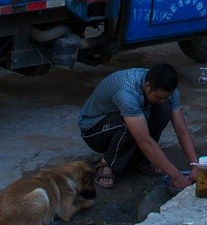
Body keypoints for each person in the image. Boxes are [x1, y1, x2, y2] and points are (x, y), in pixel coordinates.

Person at [78, 62, 199, 192]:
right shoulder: (127, 93)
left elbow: (181, 130)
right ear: (147, 86)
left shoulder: (168, 90)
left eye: (166, 97)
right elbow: (145, 141)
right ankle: (107, 163)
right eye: (158, 97)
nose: (163, 100)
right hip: (93, 129)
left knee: (164, 110)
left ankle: (142, 160)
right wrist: (176, 176)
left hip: (118, 119)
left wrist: (195, 164)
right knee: (129, 124)